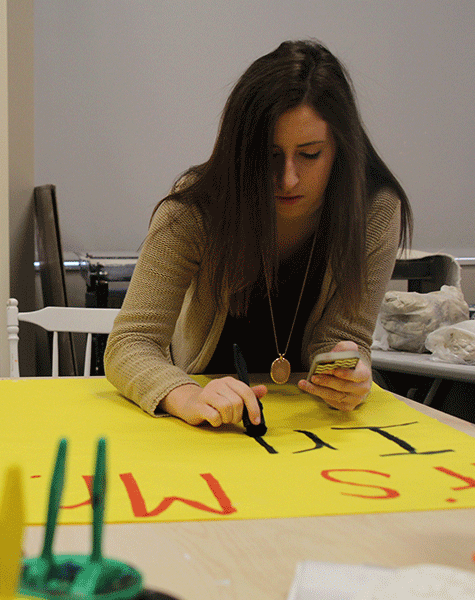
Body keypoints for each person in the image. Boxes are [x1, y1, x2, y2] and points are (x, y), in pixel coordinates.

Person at [104, 40, 412, 428]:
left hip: (311, 423)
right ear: (242, 150)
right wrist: (185, 395)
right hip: (205, 418)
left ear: (342, 147)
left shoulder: (375, 211)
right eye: (269, 156)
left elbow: (345, 338)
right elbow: (130, 343)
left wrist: (350, 372)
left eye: (310, 153)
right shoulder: (194, 209)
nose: (288, 178)